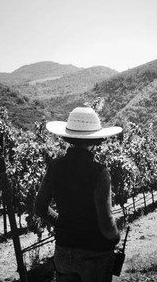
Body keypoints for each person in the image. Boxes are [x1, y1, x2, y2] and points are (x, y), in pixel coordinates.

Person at [34, 106, 122, 282]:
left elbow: (40, 207)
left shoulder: (55, 166)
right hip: (94, 254)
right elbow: (105, 221)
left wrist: (62, 222)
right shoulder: (99, 172)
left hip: (64, 251)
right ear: (95, 141)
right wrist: (116, 237)